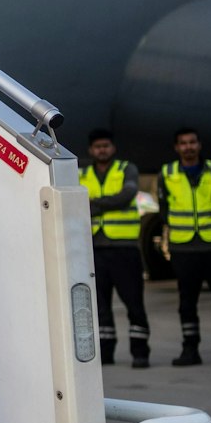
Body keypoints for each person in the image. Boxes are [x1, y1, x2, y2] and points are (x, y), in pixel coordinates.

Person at [156, 129, 211, 366]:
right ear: (176, 147)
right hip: (184, 247)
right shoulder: (167, 173)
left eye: (192, 142)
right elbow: (164, 208)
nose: (188, 147)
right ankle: (190, 349)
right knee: (187, 302)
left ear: (200, 145)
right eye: (183, 143)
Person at [80, 129, 149, 366]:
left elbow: (127, 195)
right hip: (94, 249)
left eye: (106, 146)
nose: (102, 150)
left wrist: (93, 204)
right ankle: (106, 353)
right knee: (99, 305)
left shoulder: (126, 169)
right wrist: (99, 203)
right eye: (97, 146)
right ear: (91, 150)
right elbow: (75, 201)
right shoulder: (82, 173)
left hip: (124, 247)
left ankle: (140, 352)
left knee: (133, 302)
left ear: (113, 148)